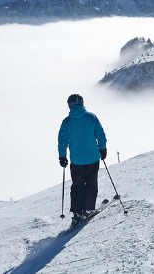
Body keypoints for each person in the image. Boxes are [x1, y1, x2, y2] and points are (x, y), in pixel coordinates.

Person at [58, 94, 107, 226]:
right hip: (93, 158)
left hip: (77, 161)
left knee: (77, 186)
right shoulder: (91, 117)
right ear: (82, 103)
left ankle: (77, 213)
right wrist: (102, 149)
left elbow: (62, 141)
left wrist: (62, 156)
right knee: (91, 184)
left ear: (69, 105)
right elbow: (100, 134)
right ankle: (88, 210)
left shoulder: (67, 122)